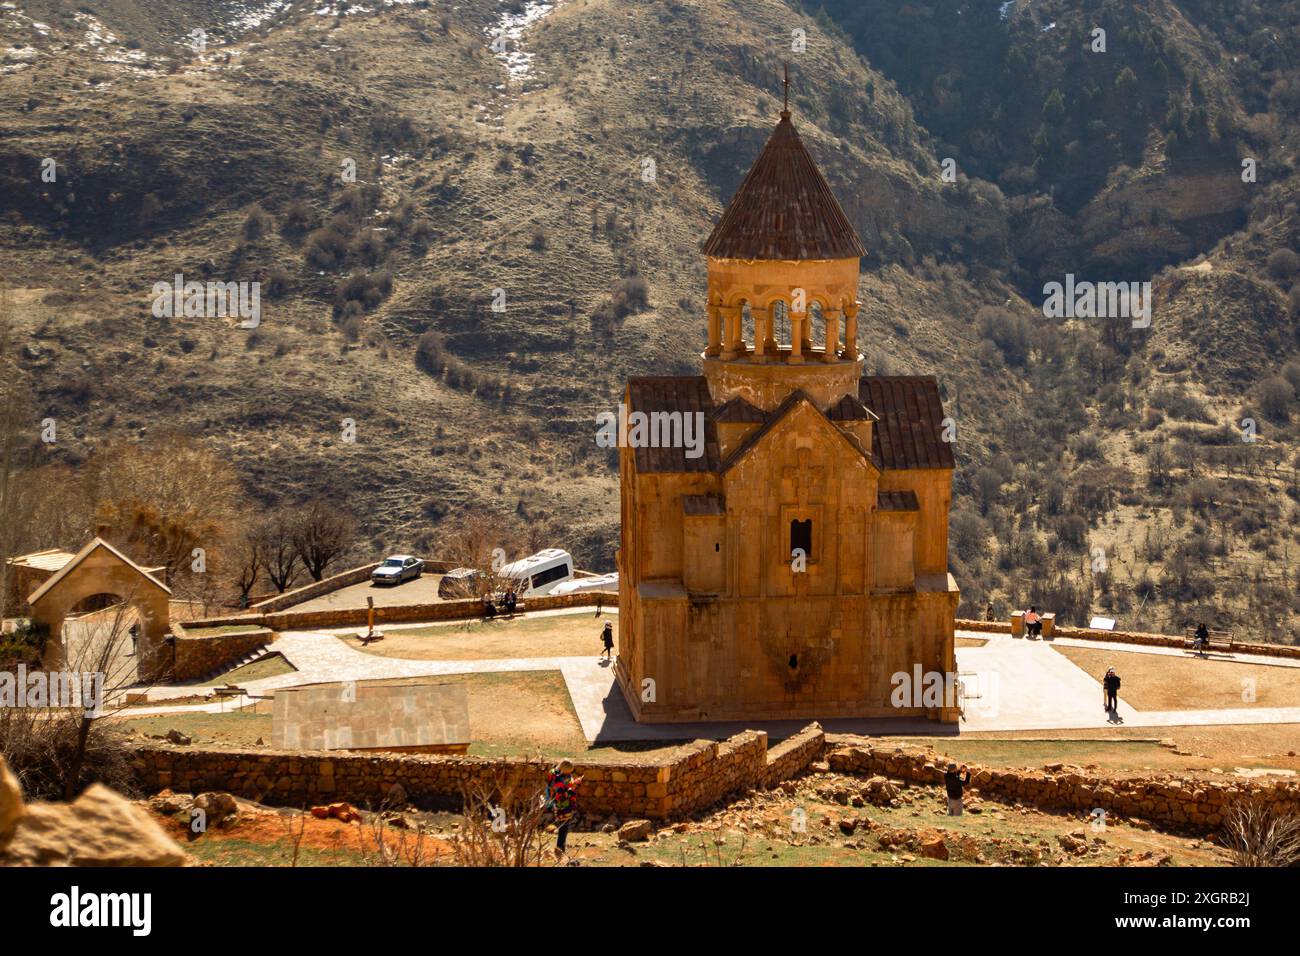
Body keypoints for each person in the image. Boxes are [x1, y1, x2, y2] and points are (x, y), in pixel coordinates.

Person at [545, 759, 583, 859]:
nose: (570, 774)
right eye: (569, 772)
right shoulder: (557, 778)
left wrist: (574, 783)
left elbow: (566, 786)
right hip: (561, 805)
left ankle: (560, 849)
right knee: (564, 827)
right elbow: (562, 794)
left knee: (564, 826)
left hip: (563, 804)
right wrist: (574, 786)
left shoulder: (556, 773)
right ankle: (560, 849)